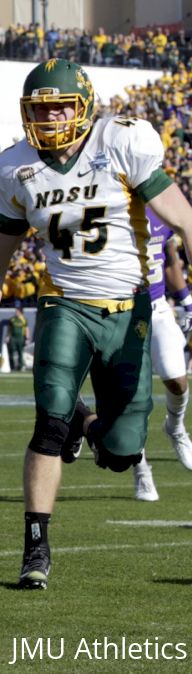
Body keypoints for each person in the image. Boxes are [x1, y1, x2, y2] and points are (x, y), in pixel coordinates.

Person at [0, 59, 192, 590]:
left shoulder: (120, 142)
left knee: (122, 452)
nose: (49, 117)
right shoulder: (15, 168)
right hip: (64, 305)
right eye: (40, 108)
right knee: (47, 424)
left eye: (60, 106)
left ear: (85, 105)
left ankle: (83, 423)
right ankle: (35, 550)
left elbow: (183, 218)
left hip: (129, 309)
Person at [124, 209, 192, 501]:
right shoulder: (110, 202)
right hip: (119, 312)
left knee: (177, 381)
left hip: (156, 306)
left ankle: (175, 427)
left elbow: (170, 260)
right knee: (129, 395)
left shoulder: (162, 207)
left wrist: (187, 301)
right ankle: (141, 470)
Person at [7, 306, 29, 371]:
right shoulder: (12, 319)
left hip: (21, 338)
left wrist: (27, 338)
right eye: (16, 311)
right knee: (11, 352)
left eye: (17, 311)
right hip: (13, 338)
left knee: (20, 352)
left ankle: (21, 366)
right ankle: (12, 366)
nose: (16, 312)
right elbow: (9, 329)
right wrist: (8, 336)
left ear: (21, 312)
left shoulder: (24, 319)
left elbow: (26, 329)